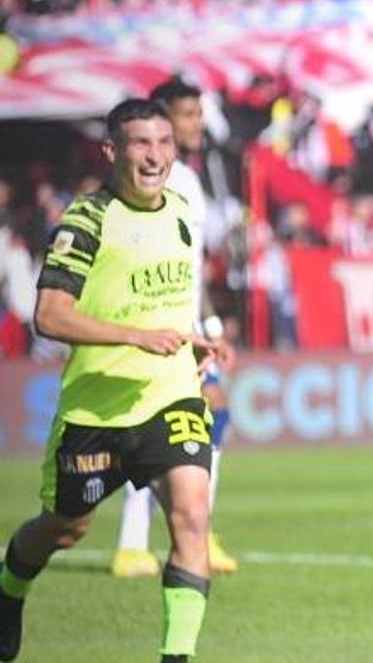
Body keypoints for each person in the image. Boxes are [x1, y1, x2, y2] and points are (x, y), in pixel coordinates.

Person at [0, 99, 228, 663]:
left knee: (193, 515)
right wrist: (135, 335)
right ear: (111, 151)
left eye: (163, 143)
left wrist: (195, 338)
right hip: (96, 411)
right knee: (65, 527)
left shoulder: (178, 211)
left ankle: (176, 657)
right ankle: (7, 591)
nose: (155, 157)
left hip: (169, 394)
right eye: (140, 144)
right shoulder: (86, 220)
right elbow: (50, 316)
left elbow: (172, 300)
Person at [111, 77, 239, 579]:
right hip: (163, 324)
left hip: (186, 321)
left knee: (193, 421)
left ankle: (153, 539)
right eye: (186, 115)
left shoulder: (188, 176)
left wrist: (207, 321)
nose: (195, 125)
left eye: (197, 115)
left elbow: (194, 262)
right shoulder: (166, 181)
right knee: (171, 424)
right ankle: (160, 538)